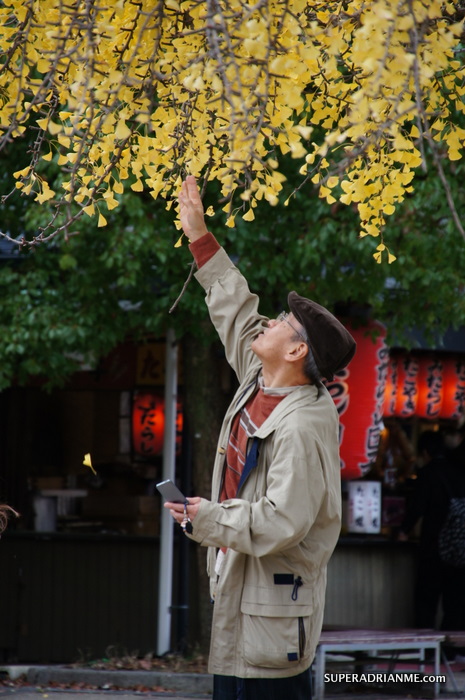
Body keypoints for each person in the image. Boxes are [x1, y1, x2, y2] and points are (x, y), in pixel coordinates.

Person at [165, 176, 356, 699]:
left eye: (282, 323)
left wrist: (207, 517)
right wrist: (200, 237)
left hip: (273, 615)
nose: (267, 322)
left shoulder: (303, 424)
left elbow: (283, 521)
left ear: (296, 353)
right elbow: (236, 311)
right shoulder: (262, 377)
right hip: (242, 592)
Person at [399, 427, 465, 633]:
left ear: (425, 452)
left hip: (433, 546)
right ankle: (452, 649)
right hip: (459, 547)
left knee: (427, 599)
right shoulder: (459, 472)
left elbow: (417, 507)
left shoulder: (428, 474)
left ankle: (425, 648)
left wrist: (403, 531)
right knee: (454, 602)